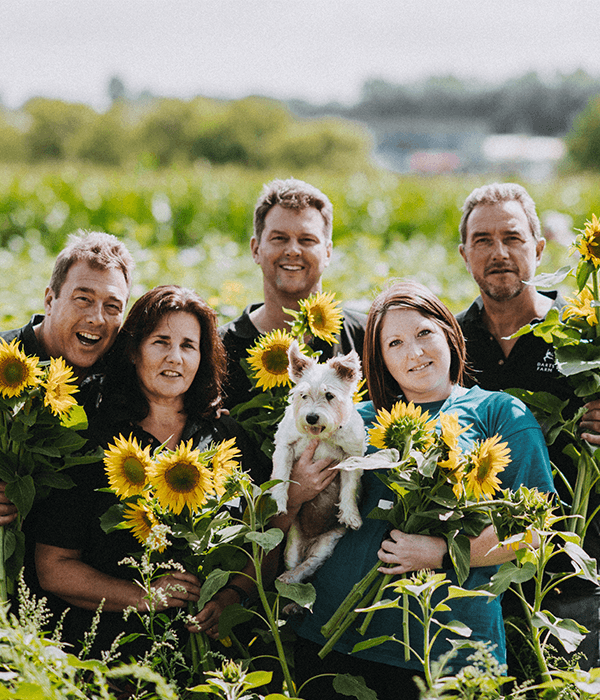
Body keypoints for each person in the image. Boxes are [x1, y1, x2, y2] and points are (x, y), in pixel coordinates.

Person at [281, 281, 554, 700]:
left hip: (451, 649)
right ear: (380, 360)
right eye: (395, 343)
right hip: (335, 639)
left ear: (450, 332)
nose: (415, 352)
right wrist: (301, 493)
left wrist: (441, 552)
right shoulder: (350, 418)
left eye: (424, 333)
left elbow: (535, 532)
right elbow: (315, 517)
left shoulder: (499, 412)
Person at [31, 285, 270, 658]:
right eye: (161, 342)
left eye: (189, 346)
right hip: (112, 657)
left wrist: (231, 596)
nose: (175, 357)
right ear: (132, 350)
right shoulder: (95, 441)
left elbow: (269, 534)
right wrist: (143, 596)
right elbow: (54, 567)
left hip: (211, 660)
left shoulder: (223, 435)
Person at [456, 182, 600, 668]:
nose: (499, 253)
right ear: (464, 254)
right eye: (483, 240)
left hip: (574, 572)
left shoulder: (583, 335)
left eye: (513, 238)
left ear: (538, 249)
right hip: (475, 572)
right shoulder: (445, 344)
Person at [0, 230, 134, 525]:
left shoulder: (122, 378)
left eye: (112, 306)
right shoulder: (3, 358)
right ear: (50, 300)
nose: (97, 318)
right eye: (83, 299)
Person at [219, 178, 367, 410]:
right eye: (279, 238)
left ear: (327, 253)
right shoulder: (219, 349)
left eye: (307, 240)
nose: (292, 250)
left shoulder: (366, 339)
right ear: (256, 249)